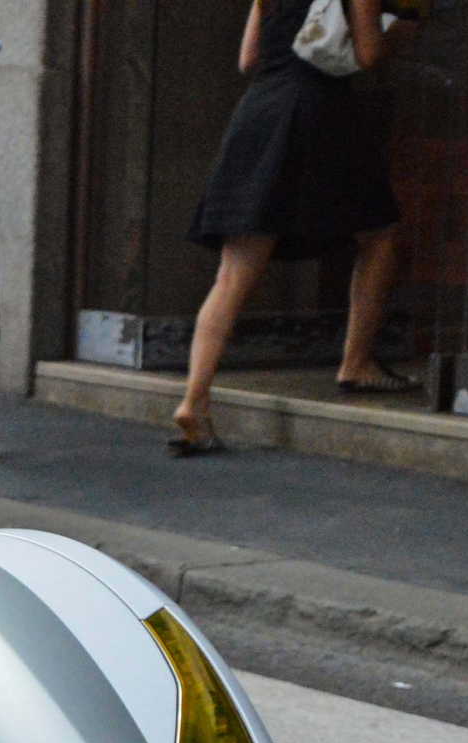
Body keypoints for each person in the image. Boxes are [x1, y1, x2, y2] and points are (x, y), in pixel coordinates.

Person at [173, 0, 409, 456]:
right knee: (379, 236)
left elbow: (248, 60)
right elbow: (369, 56)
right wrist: (396, 34)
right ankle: (356, 362)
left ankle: (194, 400)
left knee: (232, 274)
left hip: (259, 110)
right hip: (319, 112)